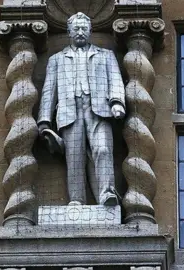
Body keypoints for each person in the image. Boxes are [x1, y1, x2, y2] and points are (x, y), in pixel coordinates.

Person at [37, 12, 126, 206]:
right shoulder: (56, 59)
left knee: (103, 149)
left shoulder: (105, 55)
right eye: (76, 29)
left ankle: (107, 193)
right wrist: (44, 121)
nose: (80, 32)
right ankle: (77, 199)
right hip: (69, 112)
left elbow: (116, 80)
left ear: (90, 31)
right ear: (69, 32)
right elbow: (49, 92)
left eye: (84, 28)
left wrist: (117, 102)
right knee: (74, 158)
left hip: (99, 110)